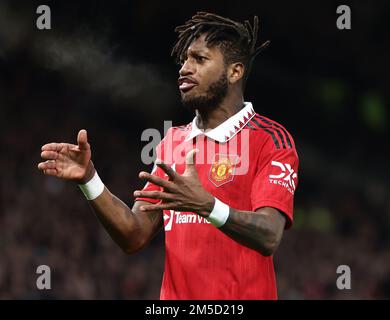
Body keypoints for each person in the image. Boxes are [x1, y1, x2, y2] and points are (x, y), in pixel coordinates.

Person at [38, 12, 299, 300]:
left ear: (234, 72)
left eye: (199, 59)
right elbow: (134, 234)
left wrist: (208, 206)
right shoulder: (173, 141)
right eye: (185, 59)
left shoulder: (269, 140)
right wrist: (89, 179)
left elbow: (269, 235)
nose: (185, 68)